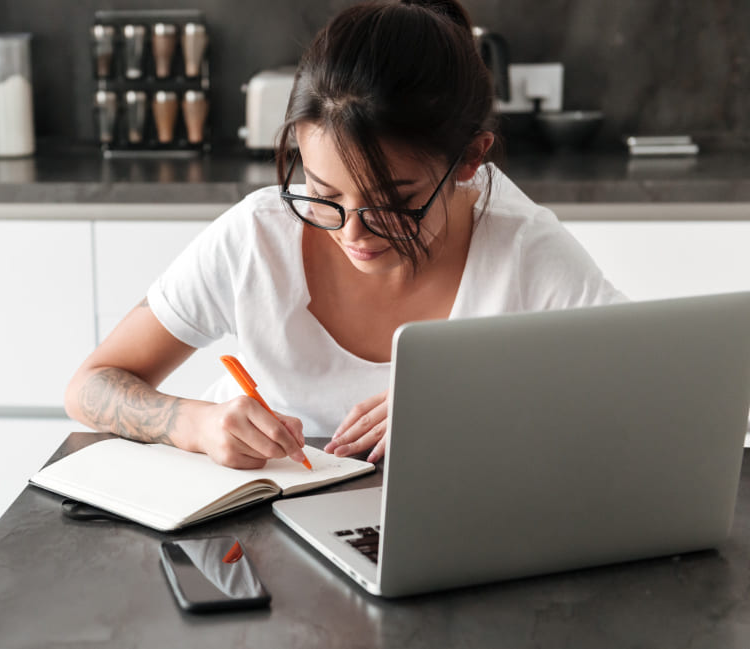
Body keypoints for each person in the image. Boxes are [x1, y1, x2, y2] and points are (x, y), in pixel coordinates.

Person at [64, 0, 626, 469]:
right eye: (324, 193)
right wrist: (197, 423)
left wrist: (476, 403)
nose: (353, 231)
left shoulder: (524, 250)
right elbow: (89, 387)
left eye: (395, 201)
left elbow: (644, 401)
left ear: (469, 160)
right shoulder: (259, 236)